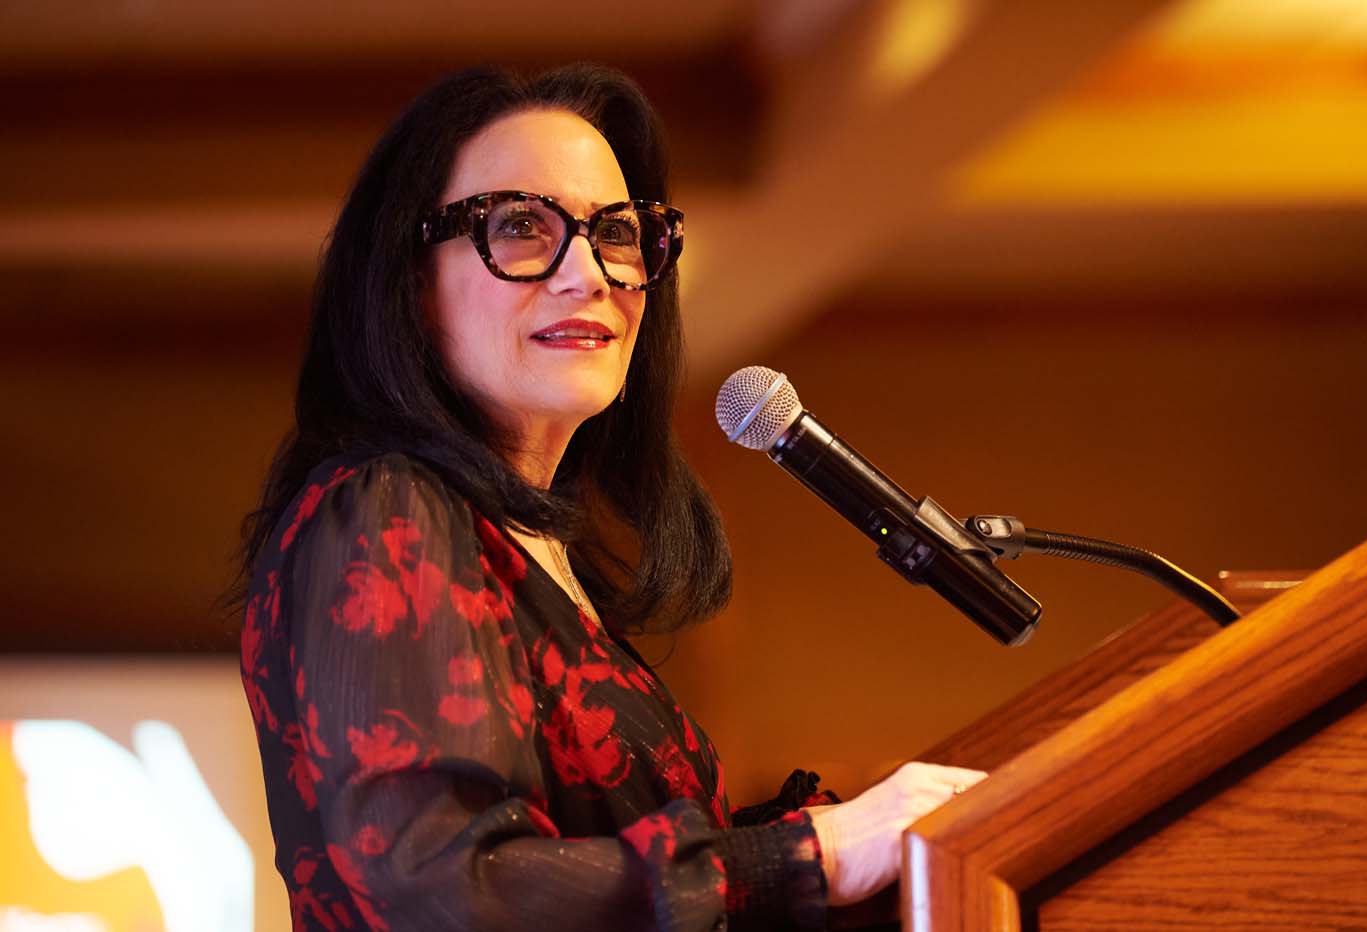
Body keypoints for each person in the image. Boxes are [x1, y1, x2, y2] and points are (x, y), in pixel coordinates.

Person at [235, 63, 986, 932]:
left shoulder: (531, 545)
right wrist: (809, 858)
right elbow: (444, 889)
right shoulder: (388, 507)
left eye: (618, 232)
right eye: (519, 226)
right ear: (407, 280)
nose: (588, 272)